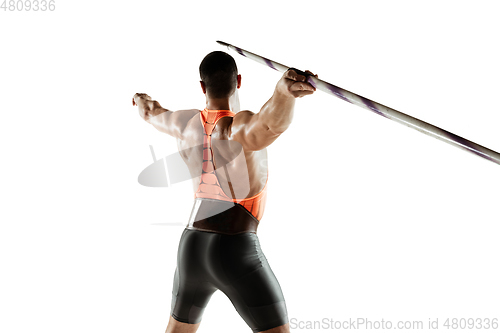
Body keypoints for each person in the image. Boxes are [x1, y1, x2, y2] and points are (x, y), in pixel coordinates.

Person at [132, 51, 317, 333]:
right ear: (239, 81)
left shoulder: (183, 124)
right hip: (234, 250)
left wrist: (140, 98)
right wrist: (283, 93)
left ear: (202, 87)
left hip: (191, 248)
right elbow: (268, 124)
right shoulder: (235, 129)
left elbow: (150, 112)